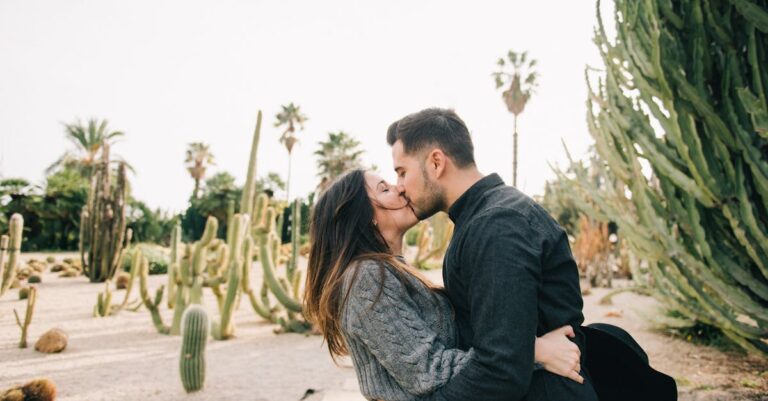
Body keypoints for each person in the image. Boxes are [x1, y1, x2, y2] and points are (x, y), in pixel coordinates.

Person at [303, 169, 585, 401]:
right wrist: (534, 351)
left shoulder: (389, 271)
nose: (400, 189)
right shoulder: (366, 278)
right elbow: (428, 370)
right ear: (366, 217)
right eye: (384, 189)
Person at [386, 108, 598, 401]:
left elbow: (500, 369)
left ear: (436, 162)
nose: (399, 186)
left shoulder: (496, 226)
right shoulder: (483, 217)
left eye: (402, 172)